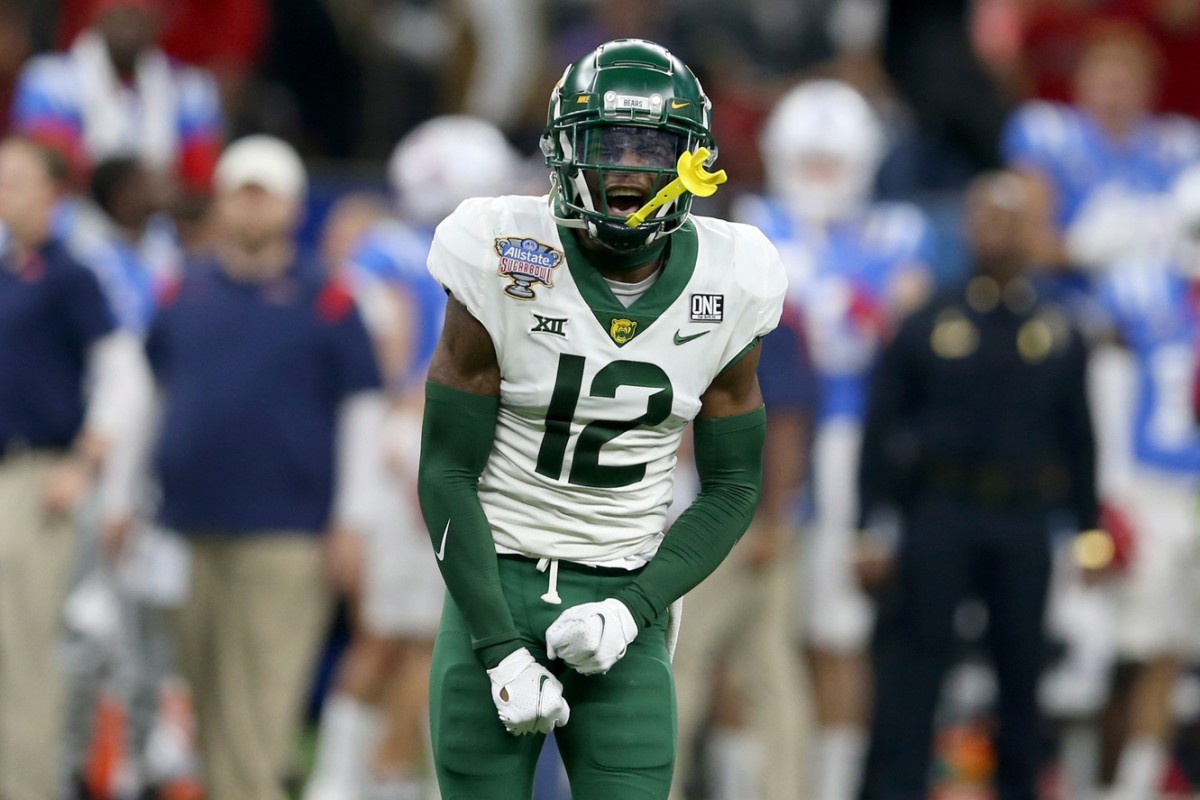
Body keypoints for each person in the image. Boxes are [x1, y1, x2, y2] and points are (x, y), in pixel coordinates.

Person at [417, 38, 787, 799]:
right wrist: (498, 648)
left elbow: (734, 487)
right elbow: (446, 469)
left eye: (652, 147)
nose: (628, 170)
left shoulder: (734, 277)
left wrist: (634, 608)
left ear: (692, 160)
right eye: (608, 143)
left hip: (625, 586)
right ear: (562, 150)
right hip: (495, 575)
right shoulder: (502, 250)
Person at [144, 136, 385, 800]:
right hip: (188, 526)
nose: (252, 209)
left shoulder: (329, 299)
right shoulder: (182, 291)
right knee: (205, 707)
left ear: (292, 207)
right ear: (220, 203)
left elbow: (363, 413)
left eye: (265, 196)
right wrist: (132, 503)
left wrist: (353, 521)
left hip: (288, 532)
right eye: (240, 195)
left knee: (259, 713)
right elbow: (152, 397)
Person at [857, 171, 1098, 800]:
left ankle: (1019, 787)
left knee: (1022, 668)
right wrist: (870, 524)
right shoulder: (928, 320)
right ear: (967, 227)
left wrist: (1089, 531)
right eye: (988, 217)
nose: (1000, 232)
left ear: (1035, 233)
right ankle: (893, 789)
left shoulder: (1058, 327)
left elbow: (1080, 435)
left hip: (1024, 515)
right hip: (939, 509)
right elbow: (880, 427)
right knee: (915, 665)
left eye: (1013, 220)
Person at [305, 115, 520, 800]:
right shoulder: (396, 255)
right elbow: (379, 375)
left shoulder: (404, 250)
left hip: (427, 444)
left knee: (425, 636)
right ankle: (345, 781)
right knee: (397, 634)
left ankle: (384, 777)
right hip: (413, 446)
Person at [734, 79, 934, 800]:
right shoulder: (748, 225)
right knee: (743, 629)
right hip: (757, 433)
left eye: (832, 162)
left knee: (838, 630)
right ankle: (742, 785)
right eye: (808, 161)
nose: (819, 175)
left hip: (854, 438)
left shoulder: (900, 232)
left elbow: (907, 333)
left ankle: (835, 787)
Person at [0, 135, 152, 800]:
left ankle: (28, 785)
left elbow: (123, 375)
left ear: (50, 192)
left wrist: (86, 462)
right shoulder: (9, 272)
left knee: (25, 646)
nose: (2, 189)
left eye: (15, 178)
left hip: (33, 473)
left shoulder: (69, 275)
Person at [1081, 163, 1200, 800]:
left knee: (1172, 647)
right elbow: (1108, 396)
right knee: (1128, 648)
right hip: (1149, 486)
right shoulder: (1139, 291)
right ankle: (1103, 781)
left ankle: (1140, 782)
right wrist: (1111, 496)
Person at [11, 0, 224, 195]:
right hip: (73, 209)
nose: (129, 28)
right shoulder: (50, 80)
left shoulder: (190, 88)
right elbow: (53, 168)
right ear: (97, 16)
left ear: (158, 21)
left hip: (164, 210)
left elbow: (199, 177)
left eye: (138, 16)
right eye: (120, 14)